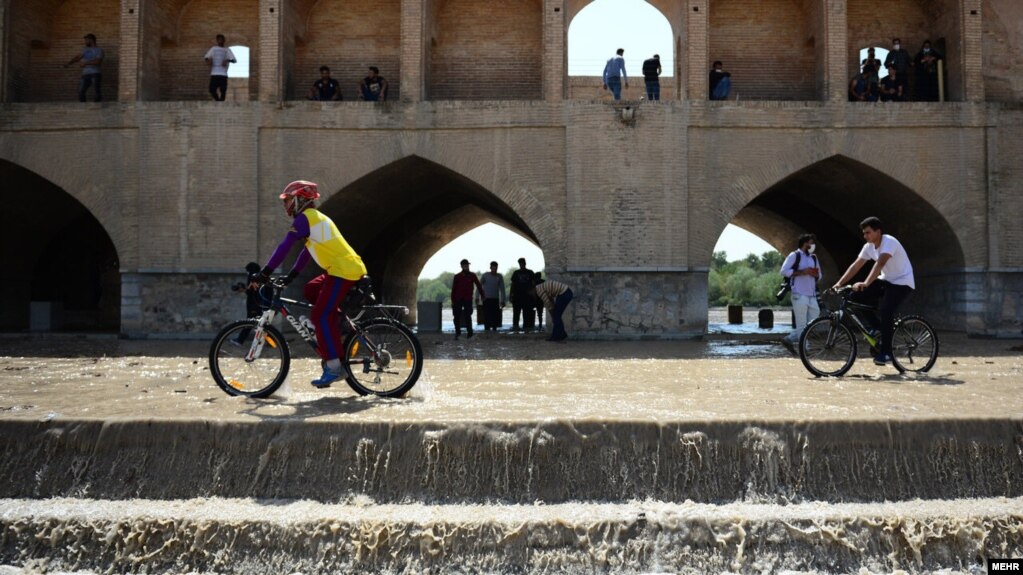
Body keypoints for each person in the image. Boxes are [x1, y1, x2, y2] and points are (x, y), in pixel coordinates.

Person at [256, 180, 368, 387]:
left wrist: (266, 272)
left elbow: (285, 246)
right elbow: (307, 252)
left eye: (288, 200)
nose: (285, 205)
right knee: (311, 289)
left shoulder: (305, 219)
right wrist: (291, 276)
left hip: (343, 271)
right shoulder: (318, 219)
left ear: (300, 200)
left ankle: (334, 368)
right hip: (344, 269)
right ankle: (339, 323)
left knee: (320, 315)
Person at [832, 217, 915, 366]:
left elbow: (880, 263)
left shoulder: (889, 241)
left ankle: (887, 352)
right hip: (887, 280)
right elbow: (855, 266)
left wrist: (866, 282)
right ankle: (877, 328)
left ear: (878, 231)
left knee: (886, 310)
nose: (865, 236)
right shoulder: (868, 246)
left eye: (868, 232)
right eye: (864, 233)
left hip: (902, 282)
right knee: (855, 297)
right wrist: (838, 284)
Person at [779, 234, 821, 354]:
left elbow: (820, 275)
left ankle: (789, 339)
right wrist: (802, 272)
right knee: (802, 324)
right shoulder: (794, 255)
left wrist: (815, 274)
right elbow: (783, 271)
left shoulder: (814, 258)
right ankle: (805, 349)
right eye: (811, 243)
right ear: (805, 244)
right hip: (798, 294)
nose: (813, 246)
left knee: (813, 321)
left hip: (812, 295)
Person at [532, 277, 573, 342]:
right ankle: (562, 335)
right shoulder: (541, 287)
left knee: (556, 316)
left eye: (531, 293)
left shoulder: (539, 291)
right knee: (557, 316)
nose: (532, 295)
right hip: (566, 292)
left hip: (564, 293)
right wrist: (553, 313)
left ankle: (556, 337)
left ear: (532, 290)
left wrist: (552, 316)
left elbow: (548, 304)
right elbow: (551, 300)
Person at [64, 34, 104, 102]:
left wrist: (85, 63)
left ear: (91, 40)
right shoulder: (85, 50)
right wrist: (69, 63)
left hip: (95, 73)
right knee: (80, 92)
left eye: (86, 40)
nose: (85, 42)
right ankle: (83, 108)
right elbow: (78, 57)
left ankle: (97, 109)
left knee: (96, 91)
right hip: (85, 74)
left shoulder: (99, 50)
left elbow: (98, 62)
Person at [450, 259, 483, 339]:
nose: (466, 266)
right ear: (461, 266)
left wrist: (482, 295)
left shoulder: (472, 275)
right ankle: (458, 333)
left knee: (468, 315)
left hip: (468, 298)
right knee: (456, 316)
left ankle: (470, 333)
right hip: (458, 298)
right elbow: (453, 289)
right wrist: (452, 300)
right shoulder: (457, 276)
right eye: (464, 265)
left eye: (467, 265)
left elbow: (478, 285)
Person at [204, 34, 236, 101]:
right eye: (219, 40)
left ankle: (221, 103)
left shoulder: (227, 50)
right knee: (212, 89)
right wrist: (209, 61)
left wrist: (227, 60)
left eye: (222, 39)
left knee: (223, 90)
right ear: (217, 41)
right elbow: (206, 57)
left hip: (223, 74)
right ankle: (218, 101)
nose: (220, 41)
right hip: (214, 73)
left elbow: (234, 60)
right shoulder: (213, 49)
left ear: (224, 40)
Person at [509, 258, 535, 331]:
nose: (521, 265)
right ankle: (515, 326)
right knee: (516, 312)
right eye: (520, 263)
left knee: (527, 312)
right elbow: (513, 284)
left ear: (525, 263)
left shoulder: (530, 272)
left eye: (522, 263)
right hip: (517, 296)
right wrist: (511, 294)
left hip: (527, 296)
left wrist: (534, 295)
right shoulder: (516, 273)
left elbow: (533, 284)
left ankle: (526, 326)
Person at [479, 261, 507, 332]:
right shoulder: (485, 275)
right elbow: (479, 286)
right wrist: (477, 297)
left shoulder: (499, 276)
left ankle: (494, 328)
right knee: (486, 314)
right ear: (490, 268)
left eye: (496, 269)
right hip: (486, 299)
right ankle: (487, 328)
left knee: (495, 315)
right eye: (493, 268)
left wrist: (503, 300)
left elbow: (502, 289)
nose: (494, 270)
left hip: (495, 299)